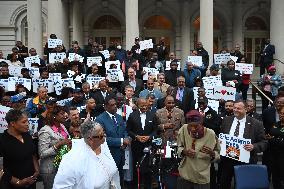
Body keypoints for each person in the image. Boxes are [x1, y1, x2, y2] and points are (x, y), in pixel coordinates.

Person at [53, 121, 121, 189]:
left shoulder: (102, 144)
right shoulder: (72, 160)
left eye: (104, 132)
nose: (105, 136)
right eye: (101, 135)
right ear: (90, 139)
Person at [219, 100, 267, 189]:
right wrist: (220, 141)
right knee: (224, 184)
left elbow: (264, 142)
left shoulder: (256, 124)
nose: (235, 110)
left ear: (246, 109)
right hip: (227, 159)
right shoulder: (226, 120)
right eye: (234, 108)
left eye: (238, 108)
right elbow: (221, 136)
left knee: (243, 185)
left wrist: (254, 146)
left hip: (246, 160)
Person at [177, 110, 220, 189]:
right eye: (190, 126)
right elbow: (178, 147)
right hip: (185, 175)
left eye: (196, 126)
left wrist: (212, 153)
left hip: (201, 178)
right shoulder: (183, 129)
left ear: (201, 123)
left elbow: (218, 155)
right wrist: (184, 151)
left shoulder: (211, 134)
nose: (193, 129)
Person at [0, 109, 39, 189]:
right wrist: (18, 182)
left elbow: (32, 154)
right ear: (12, 123)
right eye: (24, 122)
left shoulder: (27, 135)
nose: (28, 124)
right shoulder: (2, 140)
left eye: (27, 121)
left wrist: (37, 169)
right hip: (11, 185)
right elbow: (0, 168)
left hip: (30, 182)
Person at [96, 97, 130, 184]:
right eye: (112, 105)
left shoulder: (119, 117)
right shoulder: (100, 119)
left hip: (122, 154)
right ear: (105, 107)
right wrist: (121, 141)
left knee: (121, 179)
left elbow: (124, 131)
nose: (115, 106)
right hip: (109, 155)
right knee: (111, 182)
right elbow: (101, 139)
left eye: (115, 104)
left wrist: (126, 140)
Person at [126, 98, 158, 189]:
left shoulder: (152, 115)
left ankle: (148, 186)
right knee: (136, 169)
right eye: (142, 105)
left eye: (145, 105)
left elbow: (156, 130)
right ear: (137, 105)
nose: (144, 107)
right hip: (136, 146)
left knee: (148, 168)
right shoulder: (132, 115)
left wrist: (150, 137)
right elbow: (128, 130)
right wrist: (136, 137)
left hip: (149, 146)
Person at [38, 105, 71, 189]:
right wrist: (58, 145)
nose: (65, 115)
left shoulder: (62, 126)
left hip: (61, 167)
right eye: (62, 114)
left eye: (65, 113)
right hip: (50, 169)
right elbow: (42, 153)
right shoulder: (45, 130)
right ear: (54, 116)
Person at [268, 106, 284, 189]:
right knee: (275, 179)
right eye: (280, 113)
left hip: (282, 157)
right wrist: (278, 139)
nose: (282, 115)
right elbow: (269, 136)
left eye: (283, 113)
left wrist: (273, 139)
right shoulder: (276, 124)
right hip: (273, 156)